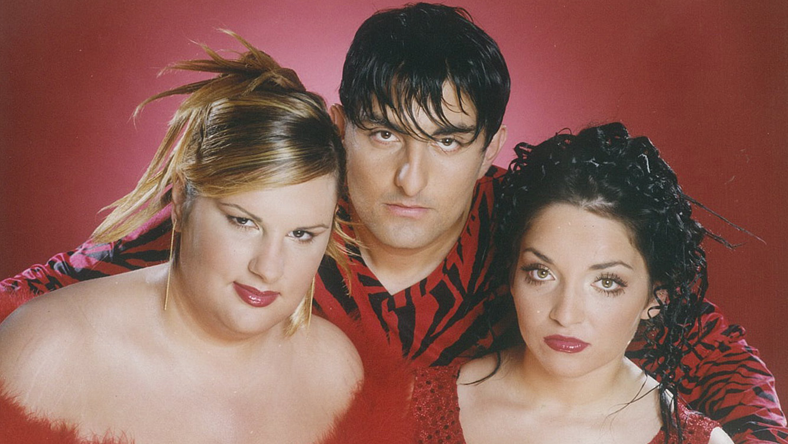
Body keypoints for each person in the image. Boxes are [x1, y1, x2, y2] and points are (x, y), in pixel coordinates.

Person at [1, 3, 785, 442]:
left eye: (447, 142)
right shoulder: (286, 209)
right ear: (342, 127)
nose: (412, 178)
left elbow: (705, 344)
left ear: (490, 148)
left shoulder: (530, 232)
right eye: (383, 134)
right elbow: (64, 283)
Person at [0, 33, 412, 443]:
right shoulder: (49, 352)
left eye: (301, 234)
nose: (269, 268)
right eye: (243, 222)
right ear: (181, 201)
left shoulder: (336, 373)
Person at [412, 122, 735, 444]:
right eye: (541, 273)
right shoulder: (419, 406)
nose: (565, 315)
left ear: (655, 297)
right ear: (512, 274)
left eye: (606, 282)